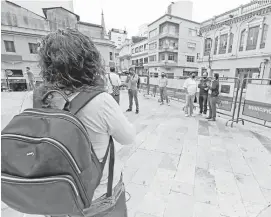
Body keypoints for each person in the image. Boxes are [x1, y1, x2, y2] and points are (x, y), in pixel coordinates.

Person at [20, 29, 136, 217]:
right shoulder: (101, 101)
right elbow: (128, 138)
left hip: (56, 194)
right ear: (88, 62)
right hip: (97, 197)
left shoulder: (36, 99)